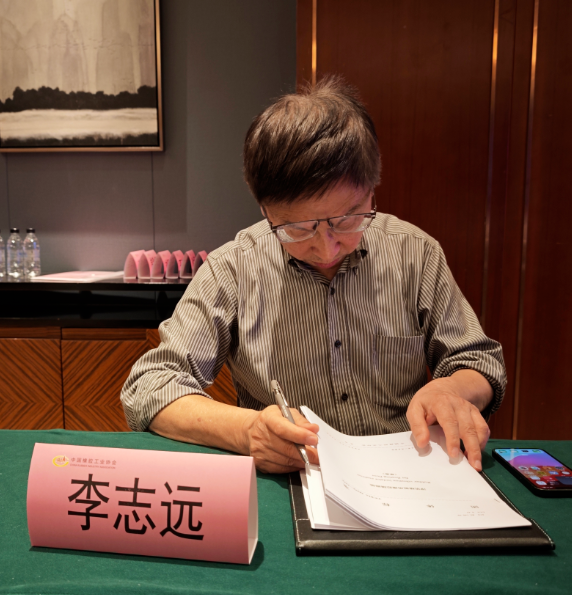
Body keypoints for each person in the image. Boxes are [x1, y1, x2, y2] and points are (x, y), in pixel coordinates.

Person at [121, 77, 506, 475]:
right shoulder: (232, 270)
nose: (327, 248)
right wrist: (247, 430)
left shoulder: (414, 253)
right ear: (265, 211)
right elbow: (150, 386)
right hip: (290, 476)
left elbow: (477, 360)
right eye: (298, 229)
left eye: (348, 219)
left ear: (372, 190)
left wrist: (452, 388)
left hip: (405, 473)